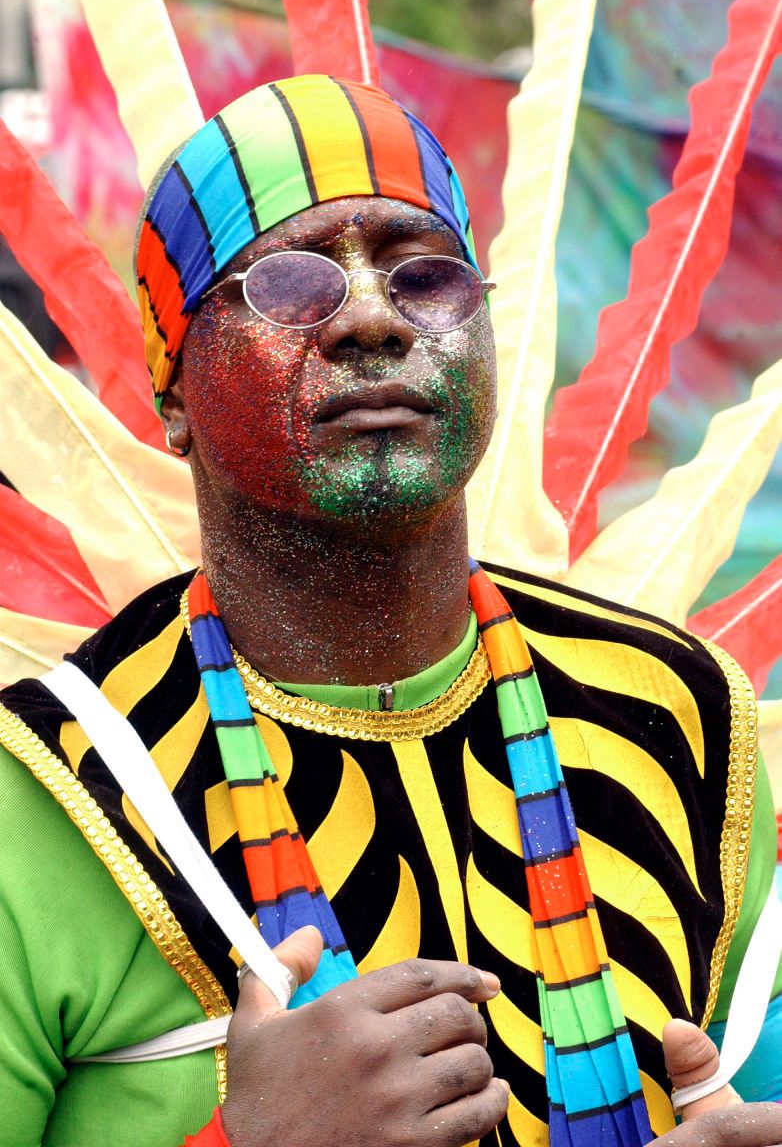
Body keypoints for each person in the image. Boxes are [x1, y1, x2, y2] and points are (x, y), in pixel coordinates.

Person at [0, 75, 779, 1147]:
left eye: (426, 273)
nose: (371, 316)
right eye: (286, 282)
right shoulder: (36, 788)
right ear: (173, 392)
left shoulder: (678, 711)